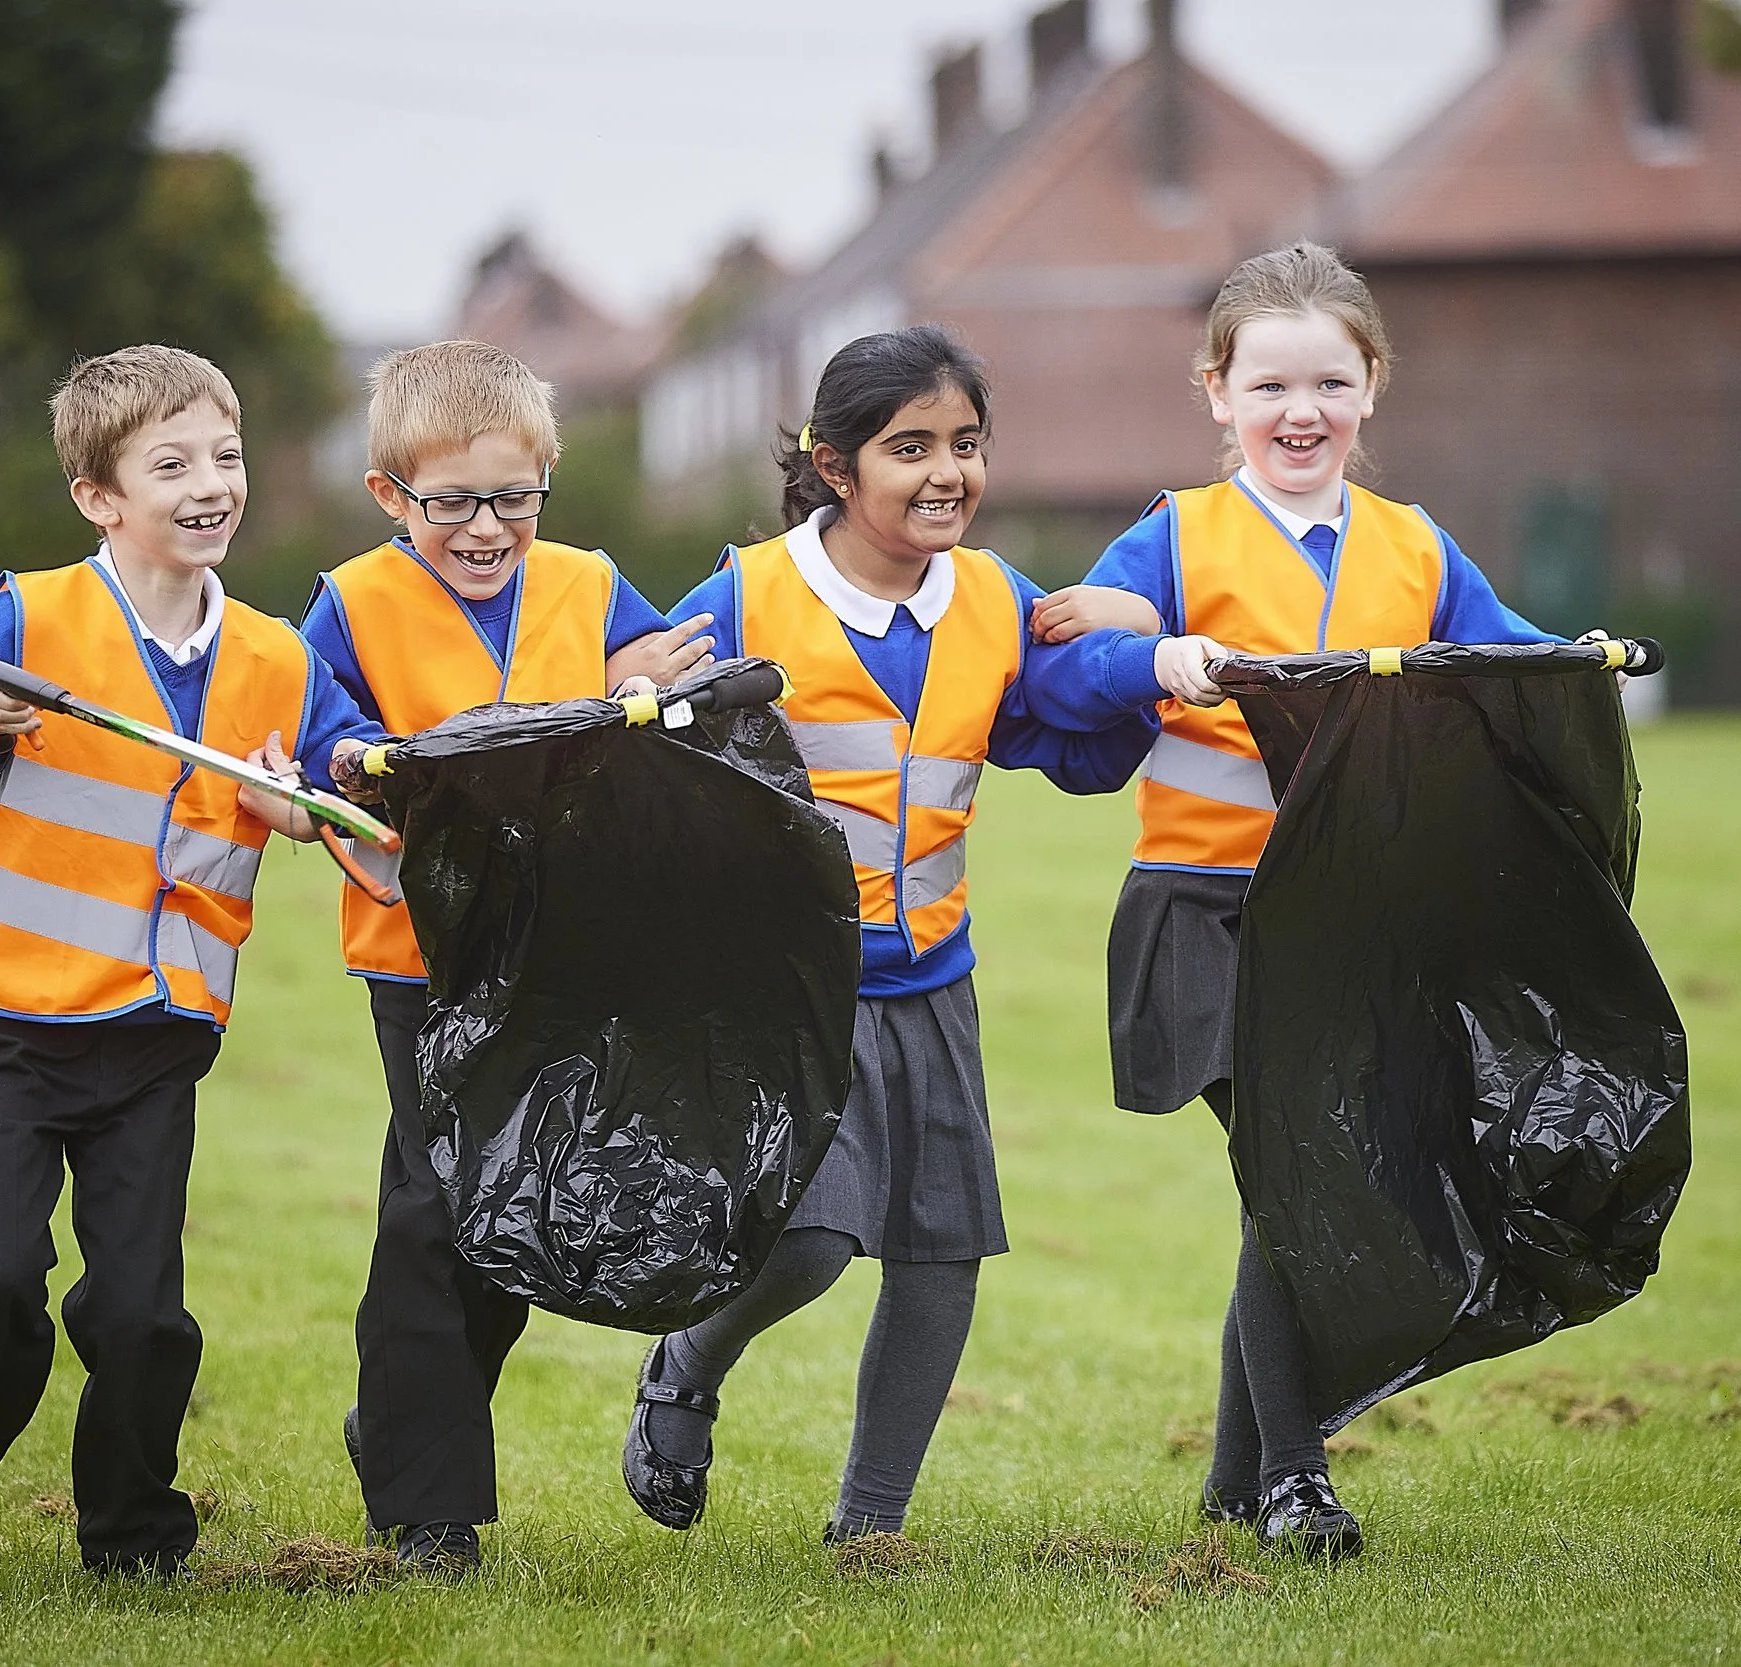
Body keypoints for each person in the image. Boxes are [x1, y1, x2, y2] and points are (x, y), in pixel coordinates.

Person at [0, 345, 384, 1587]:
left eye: (225, 456)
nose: (210, 484)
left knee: (140, 1316)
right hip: (13, 1028)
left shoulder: (279, 659)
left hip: (157, 1040)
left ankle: (133, 1537)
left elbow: (353, 780)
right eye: (170, 464)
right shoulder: (29, 619)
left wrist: (323, 795)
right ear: (98, 495)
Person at [1031, 243, 1559, 1561]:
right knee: (1294, 1166)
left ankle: (1233, 1480)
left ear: (1372, 385)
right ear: (1217, 392)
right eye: (1269, 384)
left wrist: (1590, 659)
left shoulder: (1414, 545)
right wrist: (1158, 655)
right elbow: (1064, 672)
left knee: (1293, 1173)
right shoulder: (1174, 535)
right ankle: (1293, 1478)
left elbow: (1510, 657)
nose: (1300, 409)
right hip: (1204, 914)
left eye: (1329, 379)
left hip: (1351, 926)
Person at [618, 325, 1158, 1544]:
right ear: (834, 464)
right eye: (909, 447)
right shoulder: (745, 596)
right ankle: (685, 1367)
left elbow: (1070, 738)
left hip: (933, 981)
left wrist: (1149, 658)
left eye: (966, 443)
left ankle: (869, 1530)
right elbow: (639, 745)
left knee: (938, 1256)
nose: (945, 472)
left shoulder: (994, 598)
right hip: (788, 991)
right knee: (809, 1239)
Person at [293, 340, 714, 1576]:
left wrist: (637, 681)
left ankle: (399, 1423)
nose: (486, 527)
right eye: (453, 503)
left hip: (562, 950)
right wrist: (362, 758)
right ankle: (431, 1509)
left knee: (518, 1204)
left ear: (545, 481)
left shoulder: (590, 583)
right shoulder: (351, 603)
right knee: (435, 1206)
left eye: (513, 497)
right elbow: (325, 741)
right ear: (390, 493)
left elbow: (663, 690)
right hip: (421, 954)